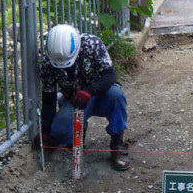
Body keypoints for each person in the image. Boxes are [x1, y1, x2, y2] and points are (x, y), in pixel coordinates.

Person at [35, 24, 130, 171]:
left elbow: (109, 75)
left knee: (117, 96)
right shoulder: (48, 62)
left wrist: (90, 91)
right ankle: (78, 130)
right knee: (59, 132)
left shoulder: (92, 44)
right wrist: (45, 131)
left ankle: (117, 144)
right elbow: (49, 97)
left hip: (101, 94)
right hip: (74, 102)